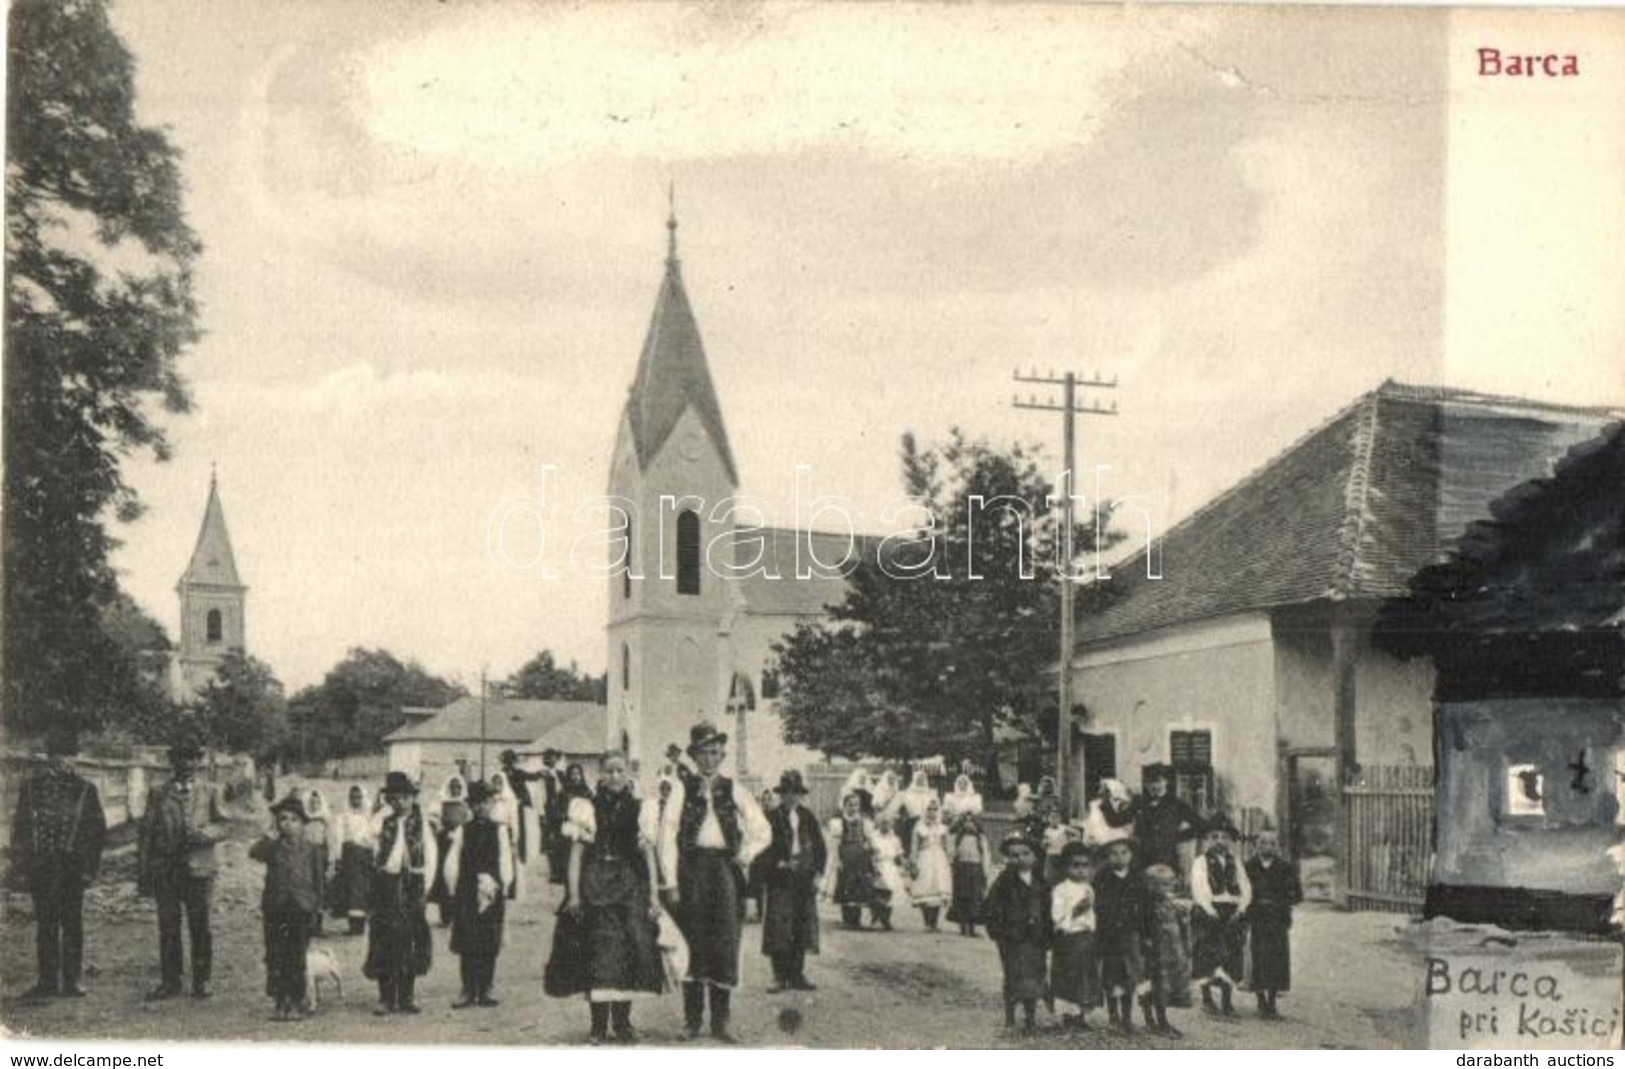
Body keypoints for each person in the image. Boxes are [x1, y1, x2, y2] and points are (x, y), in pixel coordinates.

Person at [663, 721, 770, 1042]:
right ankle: (692, 1021)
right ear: (694, 756)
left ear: (722, 754)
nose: (710, 758)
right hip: (691, 870)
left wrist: (746, 854)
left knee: (724, 940)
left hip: (724, 872)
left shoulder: (734, 788)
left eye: (715, 752)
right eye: (704, 752)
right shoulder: (681, 788)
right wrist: (670, 881)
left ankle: (721, 1023)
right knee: (692, 939)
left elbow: (762, 829)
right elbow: (666, 836)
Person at [551, 750, 665, 1043]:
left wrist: (653, 894)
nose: (615, 776)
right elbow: (576, 855)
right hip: (595, 884)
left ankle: (623, 1023)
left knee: (629, 949)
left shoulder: (641, 808)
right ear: (600, 774)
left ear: (628, 773)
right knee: (598, 950)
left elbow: (648, 853)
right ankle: (598, 1025)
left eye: (620, 770)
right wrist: (574, 894)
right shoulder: (586, 807)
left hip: (628, 884)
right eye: (609, 771)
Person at [9, 730, 106, 1001]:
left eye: (70, 756)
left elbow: (97, 832)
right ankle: (47, 981)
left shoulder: (86, 789)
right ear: (49, 758)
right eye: (59, 756)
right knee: (46, 925)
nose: (65, 762)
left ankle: (72, 981)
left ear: (76, 759)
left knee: (72, 923)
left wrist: (89, 868)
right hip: (42, 867)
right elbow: (21, 830)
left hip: (73, 869)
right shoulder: (31, 788)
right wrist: (20, 866)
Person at [138, 741, 229, 1000]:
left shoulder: (210, 791)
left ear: (198, 763)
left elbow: (224, 825)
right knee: (168, 926)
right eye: (181, 759)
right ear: (173, 763)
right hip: (166, 870)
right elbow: (147, 832)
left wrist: (204, 834)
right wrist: (144, 871)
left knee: (200, 925)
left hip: (200, 869)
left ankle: (202, 980)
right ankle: (170, 981)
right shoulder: (158, 793)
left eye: (192, 759)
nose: (187, 765)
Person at [364, 771, 437, 1015]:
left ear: (412, 798)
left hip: (412, 884)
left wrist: (425, 887)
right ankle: (386, 997)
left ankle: (406, 996)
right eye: (394, 799)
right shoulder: (384, 822)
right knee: (384, 940)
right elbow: (368, 839)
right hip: (386, 883)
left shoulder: (422, 823)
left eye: (404, 798)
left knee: (409, 941)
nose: (399, 803)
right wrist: (379, 813)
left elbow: (432, 856)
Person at [248, 795, 324, 1021]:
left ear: (303, 824)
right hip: (276, 908)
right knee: (276, 956)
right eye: (282, 819)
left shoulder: (312, 850)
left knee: (296, 957)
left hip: (301, 908)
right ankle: (280, 1001)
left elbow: (319, 883)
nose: (287, 824)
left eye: (293, 819)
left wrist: (316, 910)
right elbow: (253, 852)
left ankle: (296, 1000)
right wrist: (268, 834)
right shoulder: (271, 847)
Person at [446, 780, 513, 1009]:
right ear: (470, 806)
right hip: (467, 889)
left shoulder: (500, 829)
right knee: (468, 940)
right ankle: (467, 988)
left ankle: (486, 987)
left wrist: (503, 883)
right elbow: (453, 860)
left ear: (492, 803)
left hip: (492, 889)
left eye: (485, 802)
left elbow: (505, 859)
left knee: (489, 940)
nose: (481, 807)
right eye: (476, 803)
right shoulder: (463, 830)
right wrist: (453, 885)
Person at [979, 832, 1051, 1035]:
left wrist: (1048, 934)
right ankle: (1010, 1016)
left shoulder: (1041, 883)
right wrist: (999, 933)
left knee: (1035, 975)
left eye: (1025, 853)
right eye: (1014, 855)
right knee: (1013, 975)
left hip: (1035, 939)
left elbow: (1048, 910)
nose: (1020, 859)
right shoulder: (1004, 881)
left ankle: (1030, 1017)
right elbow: (991, 908)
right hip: (1012, 939)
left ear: (1035, 856)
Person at [761, 771, 825, 992]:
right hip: (781, 879)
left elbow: (820, 848)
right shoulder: (772, 817)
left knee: (801, 925)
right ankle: (779, 976)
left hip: (803, 878)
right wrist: (777, 863)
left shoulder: (807, 816)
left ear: (801, 795)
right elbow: (763, 848)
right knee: (780, 927)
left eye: (796, 793)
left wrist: (817, 873)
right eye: (787, 793)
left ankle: (797, 974)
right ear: (781, 794)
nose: (791, 798)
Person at [1190, 815, 1251, 1016]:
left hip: (1231, 911)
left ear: (1230, 840)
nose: (1219, 841)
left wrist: (1241, 908)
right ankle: (1207, 998)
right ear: (1208, 839)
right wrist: (1209, 909)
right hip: (1210, 911)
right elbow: (1199, 887)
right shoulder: (1201, 862)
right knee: (1208, 954)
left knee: (1231, 954)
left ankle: (1227, 1000)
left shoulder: (1236, 862)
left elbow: (1245, 887)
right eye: (1215, 836)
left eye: (1224, 837)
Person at [1244, 829, 1302, 1019]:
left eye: (1271, 843)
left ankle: (1272, 1003)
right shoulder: (1248, 867)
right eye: (1262, 842)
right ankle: (1260, 1000)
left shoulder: (1285, 867)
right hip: (1257, 918)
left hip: (1278, 919)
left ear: (1277, 846)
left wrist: (1280, 902)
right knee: (1258, 957)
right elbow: (1243, 892)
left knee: (1277, 959)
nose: (1267, 846)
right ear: (1256, 845)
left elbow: (1297, 894)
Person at [1093, 837, 1147, 1032]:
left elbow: (1143, 907)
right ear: (1108, 857)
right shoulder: (1102, 877)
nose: (1119, 857)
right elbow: (1097, 906)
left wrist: (1143, 931)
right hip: (1109, 934)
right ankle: (1113, 1016)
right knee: (1111, 974)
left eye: (1124, 853)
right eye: (1114, 853)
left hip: (1130, 933)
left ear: (1131, 855)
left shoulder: (1137, 877)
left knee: (1129, 974)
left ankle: (1127, 1017)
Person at [1049, 841, 1100, 1031]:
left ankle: (1081, 1014)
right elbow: (1057, 916)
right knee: (1067, 974)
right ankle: (1067, 1014)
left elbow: (1092, 915)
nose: (1080, 870)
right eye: (1075, 865)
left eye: (1085, 866)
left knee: (1085, 974)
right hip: (1069, 937)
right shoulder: (1061, 889)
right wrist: (1076, 911)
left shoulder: (1089, 888)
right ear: (1065, 867)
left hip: (1086, 937)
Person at [1141, 863, 1192, 1037]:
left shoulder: (1171, 904)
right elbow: (1144, 928)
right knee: (1156, 986)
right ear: (1149, 885)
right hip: (1156, 953)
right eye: (1160, 884)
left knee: (1167, 985)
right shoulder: (1148, 907)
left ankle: (1158, 1020)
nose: (1165, 888)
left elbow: (1181, 928)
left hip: (1171, 953)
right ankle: (1157, 1021)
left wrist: (1185, 946)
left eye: (1168, 884)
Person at [1136, 765, 1201, 880]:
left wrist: (1178, 836)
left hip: (1169, 857)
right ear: (1145, 785)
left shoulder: (1177, 804)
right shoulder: (1139, 803)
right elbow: (1117, 821)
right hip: (1144, 859)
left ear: (1166, 782)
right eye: (1151, 782)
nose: (1155, 786)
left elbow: (1201, 825)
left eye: (1159, 781)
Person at [825, 792, 879, 930]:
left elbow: (869, 839)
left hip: (860, 857)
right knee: (845, 885)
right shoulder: (839, 823)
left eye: (856, 805)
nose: (853, 808)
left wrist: (871, 850)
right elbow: (835, 844)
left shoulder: (864, 822)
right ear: (844, 806)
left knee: (859, 886)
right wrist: (837, 860)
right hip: (846, 855)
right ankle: (848, 918)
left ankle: (857, 919)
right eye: (850, 805)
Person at [331, 783, 375, 935]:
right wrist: (338, 856)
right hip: (349, 855)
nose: (355, 800)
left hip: (365, 855)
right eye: (353, 797)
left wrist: (372, 851)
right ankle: (353, 925)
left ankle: (361, 924)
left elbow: (373, 837)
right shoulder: (344, 816)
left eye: (358, 797)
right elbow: (339, 837)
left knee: (363, 889)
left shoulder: (369, 816)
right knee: (351, 889)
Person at [429, 774, 472, 926]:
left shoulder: (466, 804)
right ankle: (445, 914)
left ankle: (459, 913)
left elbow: (469, 820)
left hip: (461, 843)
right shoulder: (442, 803)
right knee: (443, 876)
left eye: (458, 787)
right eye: (452, 786)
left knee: (459, 876)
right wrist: (442, 829)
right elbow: (433, 819)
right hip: (445, 842)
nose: (455, 789)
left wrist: (462, 831)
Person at [909, 799, 952, 931]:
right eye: (929, 809)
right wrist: (913, 862)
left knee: (938, 888)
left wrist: (949, 861)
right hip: (925, 858)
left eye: (934, 810)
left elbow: (947, 846)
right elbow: (914, 847)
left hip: (939, 859)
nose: (932, 813)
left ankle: (934, 923)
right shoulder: (919, 827)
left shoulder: (943, 828)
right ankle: (927, 922)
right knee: (926, 887)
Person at [947, 814, 991, 937]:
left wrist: (985, 872)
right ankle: (963, 925)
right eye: (966, 822)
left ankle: (971, 927)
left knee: (975, 898)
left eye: (972, 822)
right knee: (962, 897)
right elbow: (952, 854)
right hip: (962, 869)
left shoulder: (981, 838)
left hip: (976, 869)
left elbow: (986, 856)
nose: (969, 824)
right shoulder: (958, 838)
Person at [744, 786, 779, 924]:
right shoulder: (757, 816)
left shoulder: (778, 817)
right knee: (757, 886)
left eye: (769, 799)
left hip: (773, 855)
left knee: (774, 887)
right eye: (764, 800)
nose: (766, 802)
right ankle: (759, 912)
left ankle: (771, 914)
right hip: (759, 856)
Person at [869, 815, 906, 931]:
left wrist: (906, 865)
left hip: (890, 867)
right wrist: (873, 865)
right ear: (878, 823)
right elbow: (870, 853)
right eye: (882, 823)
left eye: (888, 823)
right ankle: (875, 916)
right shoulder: (873, 837)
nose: (885, 825)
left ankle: (886, 919)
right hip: (877, 866)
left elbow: (900, 855)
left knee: (891, 892)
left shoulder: (895, 839)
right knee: (877, 892)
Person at [489, 771, 523, 900]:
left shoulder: (509, 798)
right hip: (490, 830)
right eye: (494, 782)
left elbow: (514, 819)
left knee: (504, 859)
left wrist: (514, 837)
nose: (496, 785)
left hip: (503, 830)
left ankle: (506, 887)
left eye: (499, 782)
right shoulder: (490, 797)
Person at [538, 748, 567, 885]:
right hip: (548, 811)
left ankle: (561, 871)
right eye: (549, 757)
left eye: (554, 757)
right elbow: (540, 796)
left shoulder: (561, 774)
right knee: (550, 841)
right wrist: (542, 814)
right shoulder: (543, 775)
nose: (551, 760)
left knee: (561, 840)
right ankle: (554, 872)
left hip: (560, 811)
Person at [303, 789, 331, 935]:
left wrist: (329, 857)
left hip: (319, 853)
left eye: (317, 802)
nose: (314, 805)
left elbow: (329, 840)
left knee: (319, 888)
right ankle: (307, 924)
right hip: (306, 854)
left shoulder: (325, 820)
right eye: (311, 802)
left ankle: (318, 925)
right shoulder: (304, 819)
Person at [1082, 779, 1136, 848]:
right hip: (1103, 831)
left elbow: (1117, 820)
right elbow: (1112, 821)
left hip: (1109, 830)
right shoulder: (1101, 804)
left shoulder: (1119, 802)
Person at [895, 769, 935, 858]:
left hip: (927, 822)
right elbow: (901, 809)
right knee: (911, 845)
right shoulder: (907, 793)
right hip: (911, 822)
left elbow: (934, 808)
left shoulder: (930, 794)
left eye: (922, 779)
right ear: (914, 779)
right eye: (918, 778)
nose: (920, 781)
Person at [1041, 808, 1070, 884]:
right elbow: (1044, 846)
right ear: (1048, 819)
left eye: (1057, 817)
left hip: (1062, 856)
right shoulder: (1047, 830)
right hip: (1051, 856)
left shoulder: (1064, 828)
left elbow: (1077, 833)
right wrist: (1045, 844)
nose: (1054, 819)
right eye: (1052, 817)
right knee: (1049, 877)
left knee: (1063, 878)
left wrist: (1070, 843)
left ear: (1060, 819)